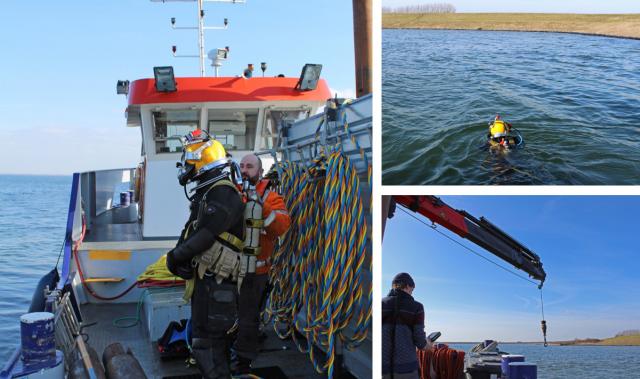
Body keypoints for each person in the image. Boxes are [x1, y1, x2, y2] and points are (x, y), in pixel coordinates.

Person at [165, 129, 245, 379]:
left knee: (208, 347)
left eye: (189, 157)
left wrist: (175, 257)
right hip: (208, 283)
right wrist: (180, 259)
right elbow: (192, 231)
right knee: (206, 344)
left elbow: (205, 236)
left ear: (203, 158)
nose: (185, 164)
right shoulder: (208, 192)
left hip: (217, 285)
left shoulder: (223, 192)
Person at [232, 153, 291, 375]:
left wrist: (259, 205)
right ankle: (226, 348)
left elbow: (282, 226)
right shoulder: (230, 193)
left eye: (250, 166)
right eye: (242, 166)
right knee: (226, 313)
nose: (245, 170)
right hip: (228, 268)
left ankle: (243, 362)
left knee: (248, 318)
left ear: (260, 172)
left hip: (256, 271)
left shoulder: (271, 198)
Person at [382, 273, 430, 379]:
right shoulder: (417, 307)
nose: (412, 293)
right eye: (412, 290)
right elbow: (420, 343)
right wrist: (429, 344)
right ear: (408, 286)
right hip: (407, 369)